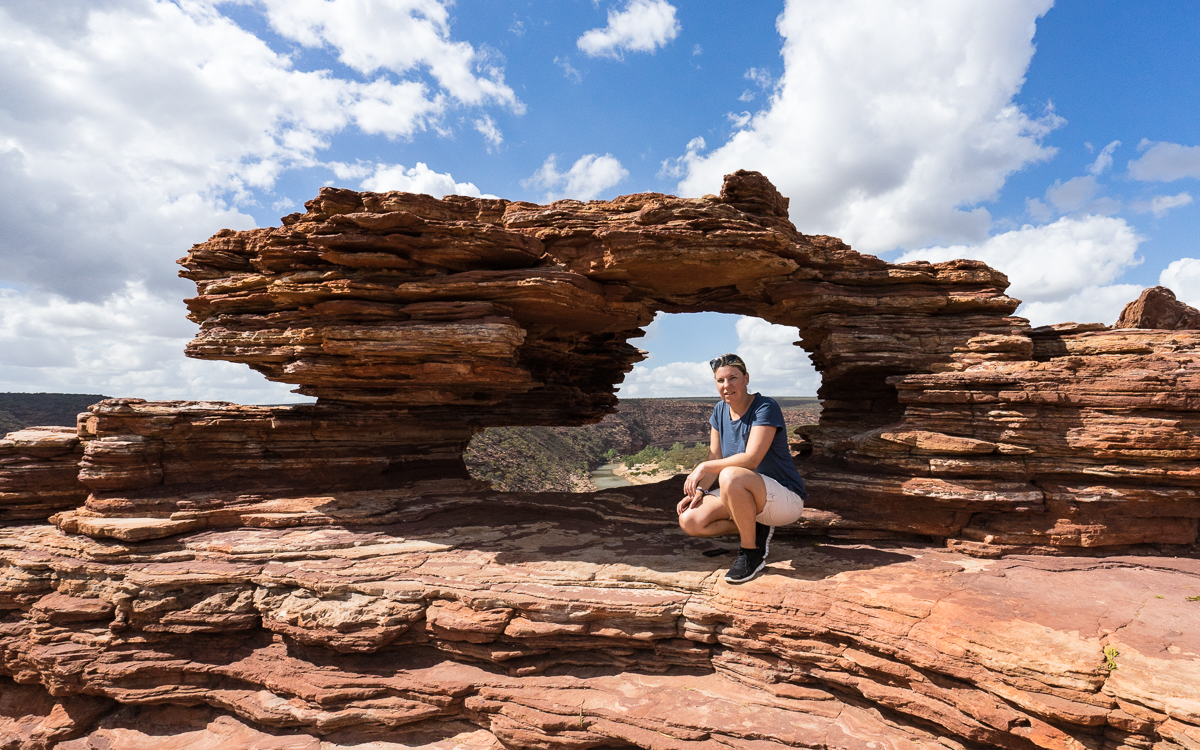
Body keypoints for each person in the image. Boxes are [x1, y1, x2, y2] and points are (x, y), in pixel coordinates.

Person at [677, 353, 808, 583]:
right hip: (744, 492)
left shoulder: (765, 406)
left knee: (731, 475)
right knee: (690, 520)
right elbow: (715, 456)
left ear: (746, 378)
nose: (726, 386)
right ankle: (755, 527)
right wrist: (699, 492)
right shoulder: (719, 411)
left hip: (783, 498)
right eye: (720, 380)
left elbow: (751, 459)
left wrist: (704, 466)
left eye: (733, 378)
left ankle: (751, 552)